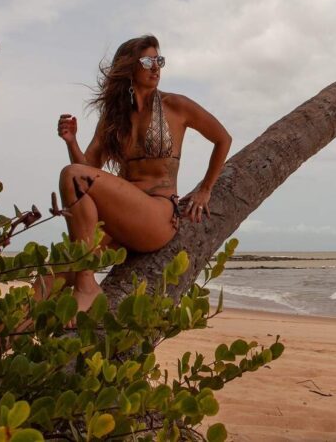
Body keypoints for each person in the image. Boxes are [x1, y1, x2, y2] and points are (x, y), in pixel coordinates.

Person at [36, 35, 232, 313]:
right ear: (130, 67)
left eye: (159, 61)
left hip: (158, 216)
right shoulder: (114, 118)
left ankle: (86, 284)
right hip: (121, 225)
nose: (156, 67)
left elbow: (222, 138)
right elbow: (89, 170)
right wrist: (71, 141)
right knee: (45, 282)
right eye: (148, 61)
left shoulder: (176, 105)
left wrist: (205, 189)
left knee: (72, 175)